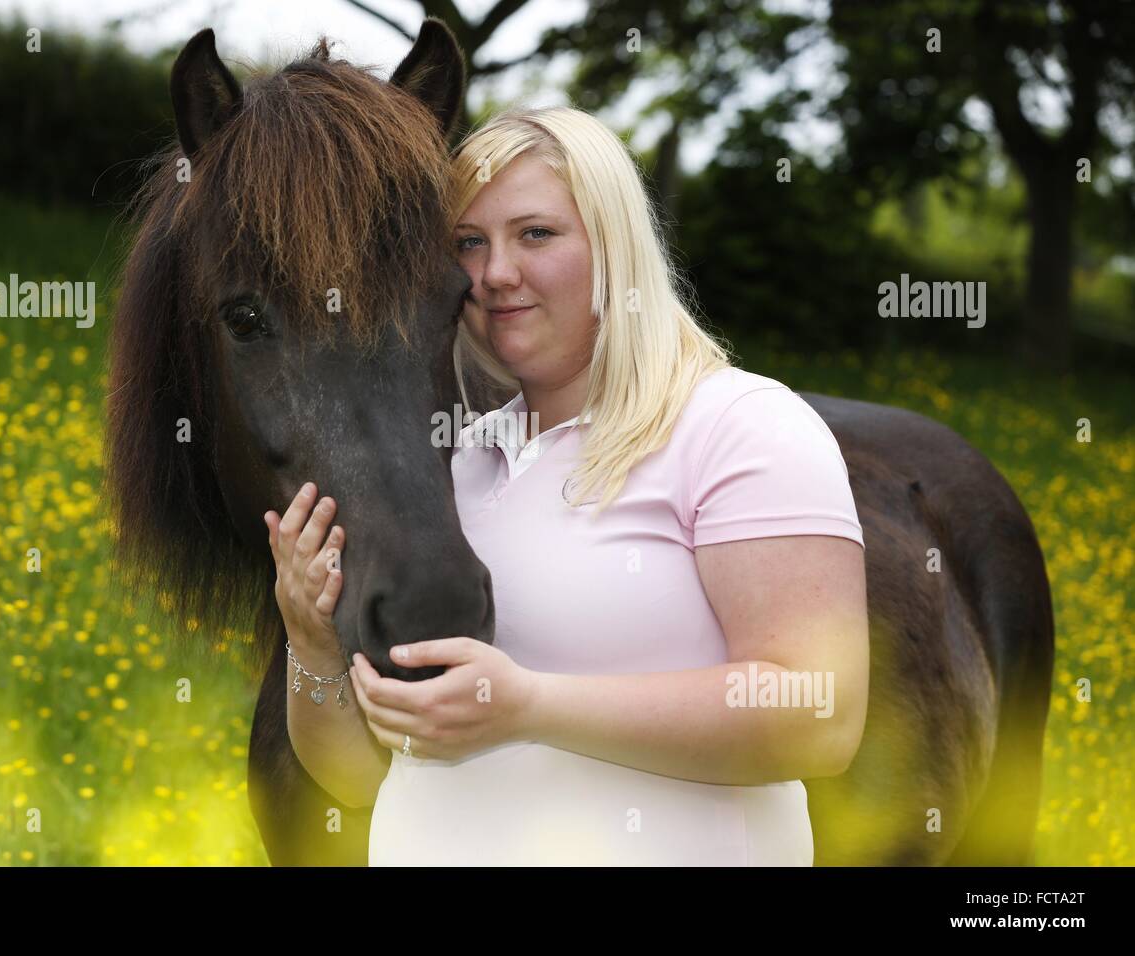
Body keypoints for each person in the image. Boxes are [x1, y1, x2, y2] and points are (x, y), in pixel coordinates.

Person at [265, 106, 869, 866]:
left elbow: (821, 718)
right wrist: (312, 648)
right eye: (468, 244)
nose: (495, 273)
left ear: (615, 246)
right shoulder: (453, 465)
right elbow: (358, 778)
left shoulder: (740, 426)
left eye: (536, 234)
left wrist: (530, 707)